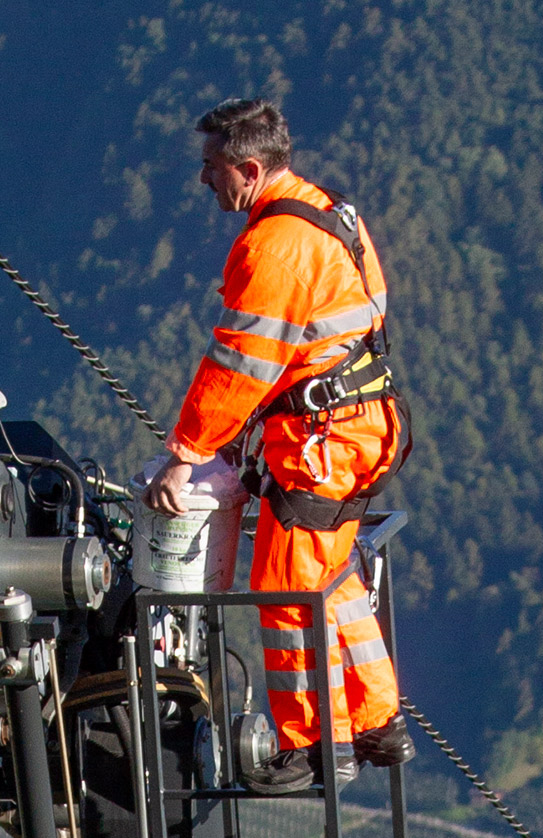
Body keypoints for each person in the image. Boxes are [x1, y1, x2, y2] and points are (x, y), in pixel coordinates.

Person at [145, 98, 411, 793]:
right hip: (361, 426)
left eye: (212, 167)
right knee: (333, 578)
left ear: (250, 168)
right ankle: (377, 718)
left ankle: (317, 744)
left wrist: (189, 452)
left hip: (322, 440)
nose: (205, 181)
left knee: (287, 591)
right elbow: (332, 334)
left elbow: (240, 365)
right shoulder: (329, 213)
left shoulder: (275, 249)